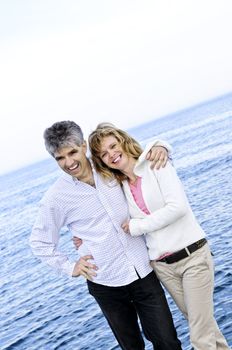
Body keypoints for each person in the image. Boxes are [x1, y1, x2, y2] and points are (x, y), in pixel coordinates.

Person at [29, 120, 182, 350]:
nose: (69, 162)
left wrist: (162, 146)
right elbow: (39, 242)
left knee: (168, 342)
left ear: (83, 146)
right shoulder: (56, 198)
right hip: (106, 283)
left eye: (72, 152)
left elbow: (141, 160)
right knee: (132, 347)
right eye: (60, 158)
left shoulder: (108, 166)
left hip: (143, 271)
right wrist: (71, 266)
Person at [86, 124, 230, 350]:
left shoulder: (155, 163)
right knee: (206, 329)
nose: (111, 154)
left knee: (200, 337)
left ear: (123, 141)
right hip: (164, 268)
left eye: (113, 146)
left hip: (193, 257)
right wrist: (82, 239)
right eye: (103, 154)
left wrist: (138, 227)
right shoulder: (119, 187)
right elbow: (105, 215)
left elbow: (178, 207)